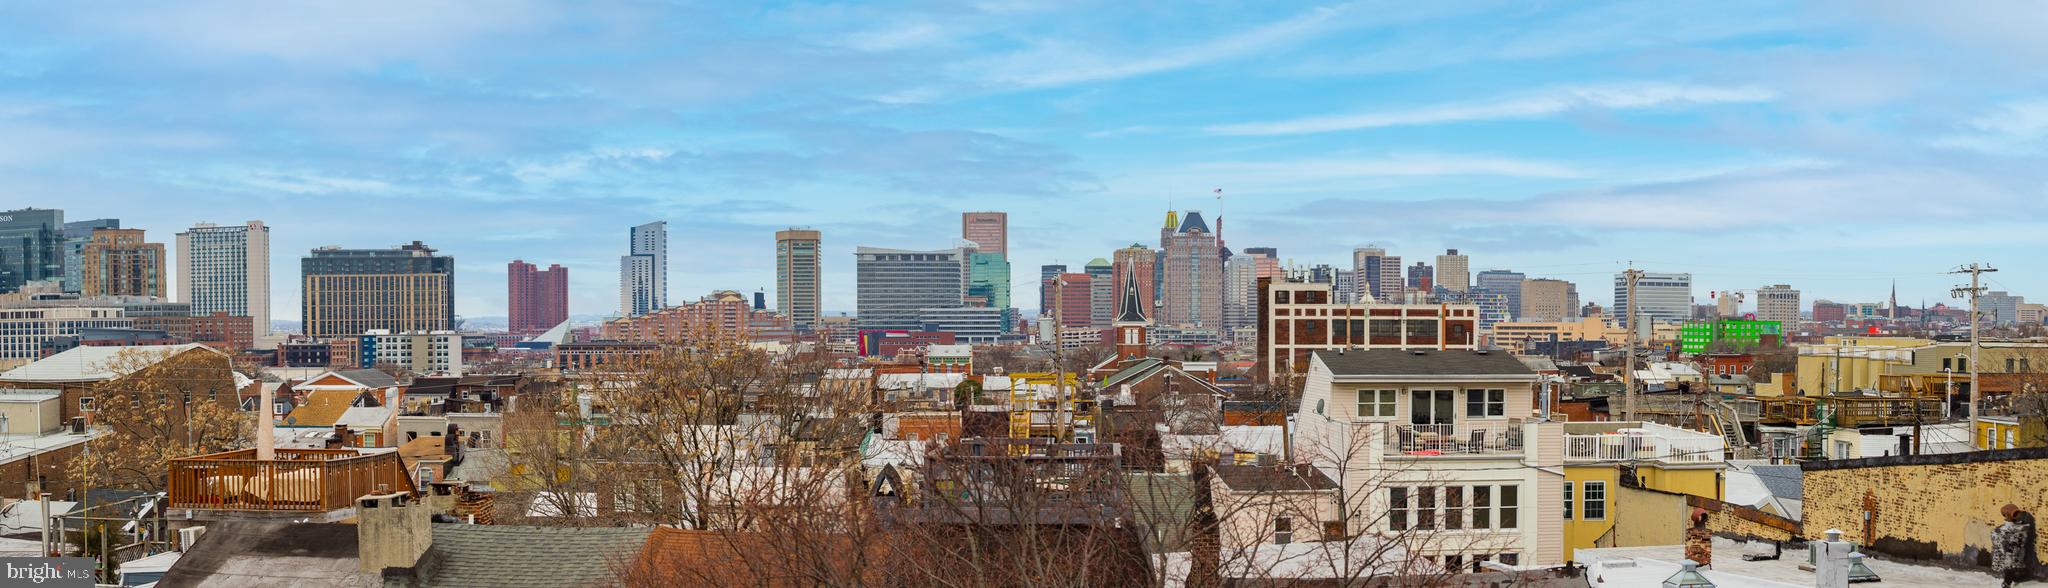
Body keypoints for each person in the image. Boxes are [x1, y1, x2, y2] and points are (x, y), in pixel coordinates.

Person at [1993, 503, 2033, 587]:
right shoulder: (2020, 527)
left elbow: (2020, 537)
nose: (2017, 515)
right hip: (2011, 554)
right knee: (2009, 567)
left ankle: (2007, 582)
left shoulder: (2020, 527)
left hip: (2013, 553)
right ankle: (2007, 582)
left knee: (2010, 567)